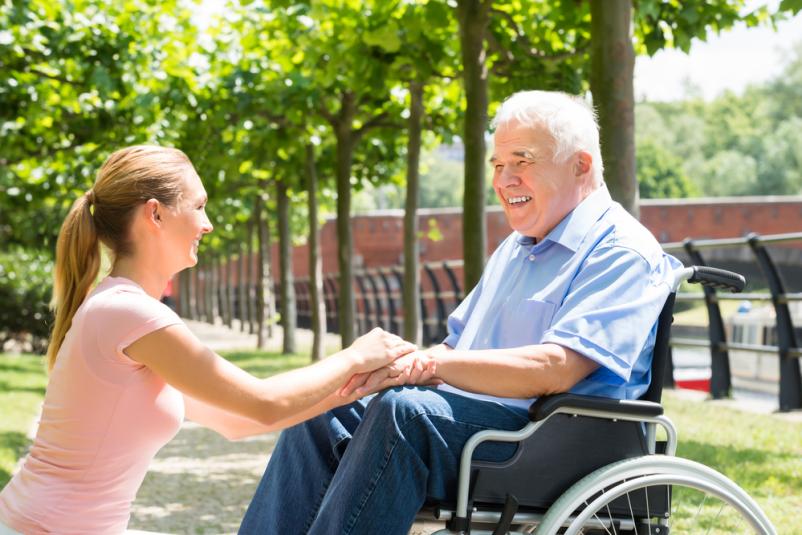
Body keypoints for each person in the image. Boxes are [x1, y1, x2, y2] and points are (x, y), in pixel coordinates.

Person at [238, 90, 682, 535]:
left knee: (406, 413)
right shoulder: (515, 249)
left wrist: (433, 365)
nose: (504, 180)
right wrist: (392, 368)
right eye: (496, 165)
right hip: (484, 424)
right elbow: (455, 348)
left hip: (555, 438)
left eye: (521, 161)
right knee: (326, 408)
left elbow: (557, 368)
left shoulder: (621, 250)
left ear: (580, 165)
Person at [0, 145, 435, 534]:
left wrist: (364, 385)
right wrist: (355, 356)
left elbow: (237, 421)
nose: (208, 224)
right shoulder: (128, 313)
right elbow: (263, 402)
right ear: (155, 214)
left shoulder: (125, 310)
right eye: (199, 206)